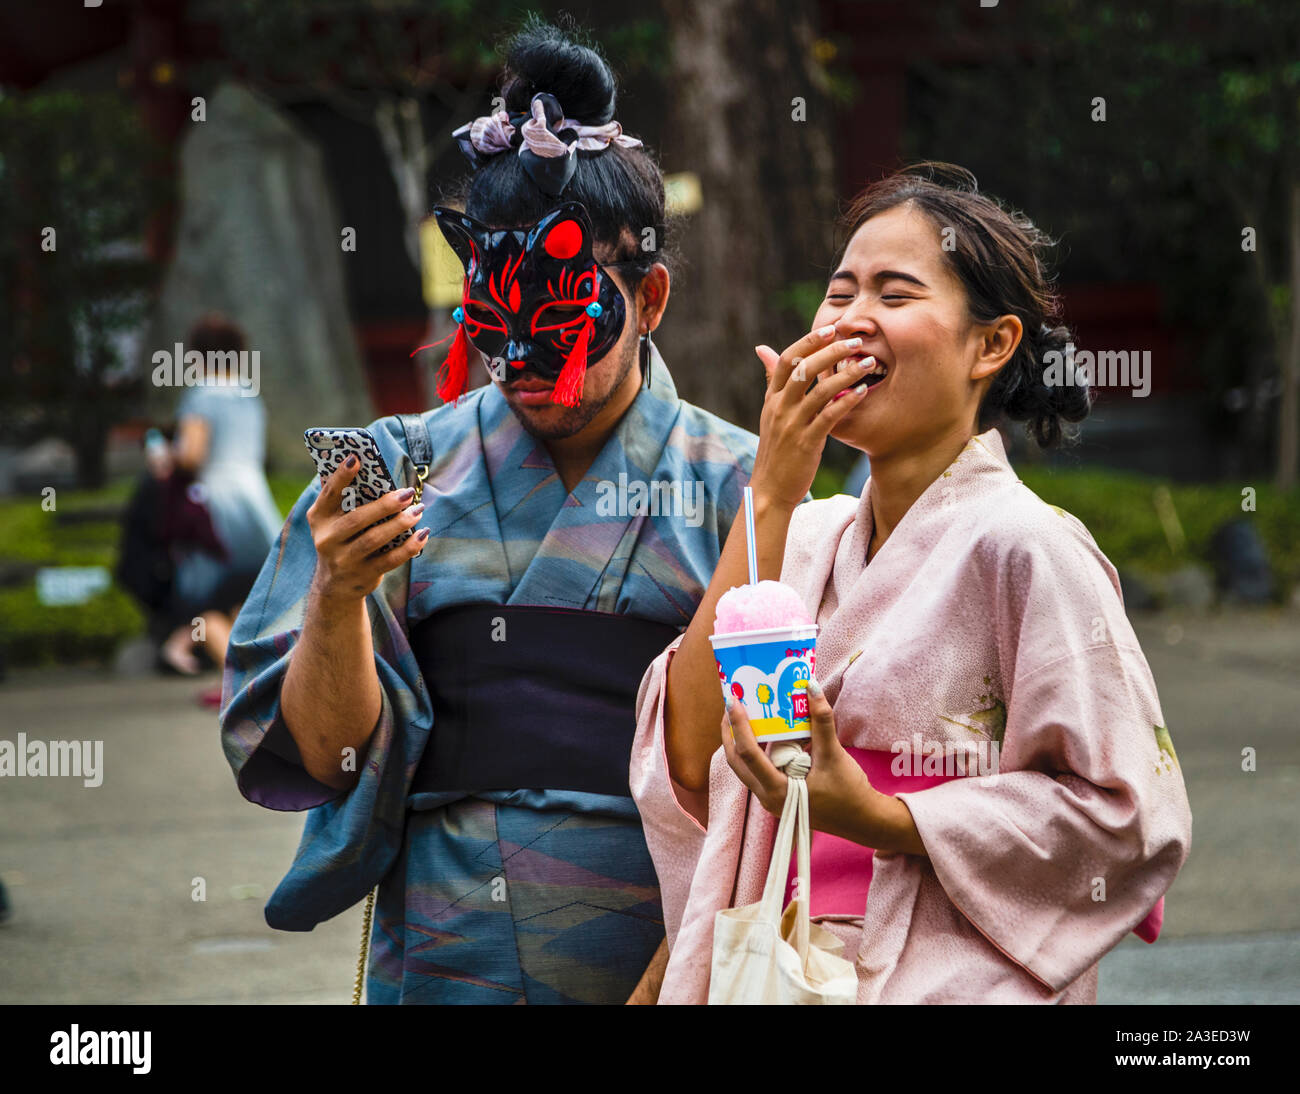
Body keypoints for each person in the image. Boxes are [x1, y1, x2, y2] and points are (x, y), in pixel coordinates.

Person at [219, 20, 760, 1005]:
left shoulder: (741, 487)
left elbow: (784, 766)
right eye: (497, 324)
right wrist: (339, 593)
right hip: (443, 949)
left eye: (565, 321)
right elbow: (323, 755)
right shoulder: (388, 472)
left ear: (652, 298)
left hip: (669, 952)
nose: (530, 362)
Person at [631, 163, 1192, 1004]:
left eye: (894, 296)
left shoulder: (1029, 547)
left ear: (992, 344)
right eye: (840, 292)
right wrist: (776, 490)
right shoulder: (805, 532)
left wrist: (884, 818)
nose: (852, 321)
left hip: (945, 975)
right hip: (776, 965)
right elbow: (685, 756)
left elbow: (1126, 815)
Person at [161, 314, 282, 697]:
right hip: (255, 500)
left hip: (216, 504)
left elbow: (193, 455)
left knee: (204, 597)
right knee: (246, 595)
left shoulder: (201, 394)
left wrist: (166, 455)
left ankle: (237, 682)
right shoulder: (249, 393)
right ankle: (252, 676)